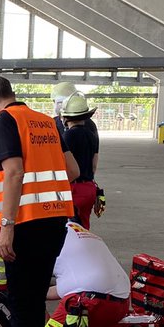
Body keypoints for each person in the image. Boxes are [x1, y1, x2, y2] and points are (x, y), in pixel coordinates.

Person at [0, 75, 77, 327]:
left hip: (24, 226)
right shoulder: (48, 122)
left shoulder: (5, 119)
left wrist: (7, 227)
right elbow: (73, 170)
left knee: (21, 304)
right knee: (35, 299)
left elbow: (14, 172)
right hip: (55, 224)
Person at [44, 223, 150, 327]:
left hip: (89, 303)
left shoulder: (42, 235)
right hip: (122, 302)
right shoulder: (75, 227)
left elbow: (41, 290)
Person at [56, 84, 101, 229]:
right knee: (84, 227)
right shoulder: (91, 135)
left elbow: (64, 163)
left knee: (69, 230)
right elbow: (94, 165)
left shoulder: (68, 135)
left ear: (66, 117)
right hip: (89, 188)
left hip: (73, 189)